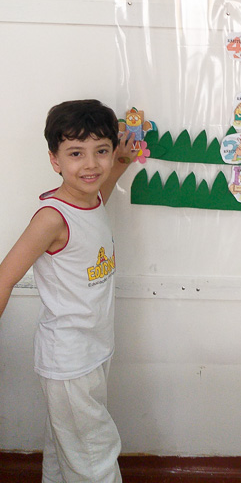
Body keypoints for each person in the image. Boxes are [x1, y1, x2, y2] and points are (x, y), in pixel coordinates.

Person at [0, 99, 138, 483]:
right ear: (55, 160)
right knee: (94, 454)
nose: (91, 164)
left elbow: (101, 191)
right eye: (76, 153)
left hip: (94, 351)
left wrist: (123, 161)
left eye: (101, 151)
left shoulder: (92, 201)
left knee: (67, 447)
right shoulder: (52, 218)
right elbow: (4, 277)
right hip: (69, 360)